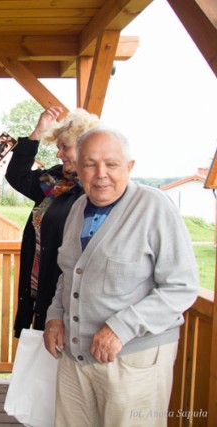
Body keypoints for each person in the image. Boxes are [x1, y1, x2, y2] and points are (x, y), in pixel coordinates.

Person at [43, 126, 200, 426]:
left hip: (132, 361)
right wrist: (55, 316)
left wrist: (120, 328)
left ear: (129, 167)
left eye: (111, 164)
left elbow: (182, 287)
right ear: (77, 168)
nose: (101, 173)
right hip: (76, 359)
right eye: (90, 164)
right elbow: (69, 272)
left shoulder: (155, 207)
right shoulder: (78, 208)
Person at [6, 107, 100, 338]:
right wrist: (38, 131)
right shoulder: (54, 181)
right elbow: (16, 175)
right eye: (58, 147)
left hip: (68, 295)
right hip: (38, 286)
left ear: (84, 146)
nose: (59, 154)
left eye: (64, 147)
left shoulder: (95, 192)